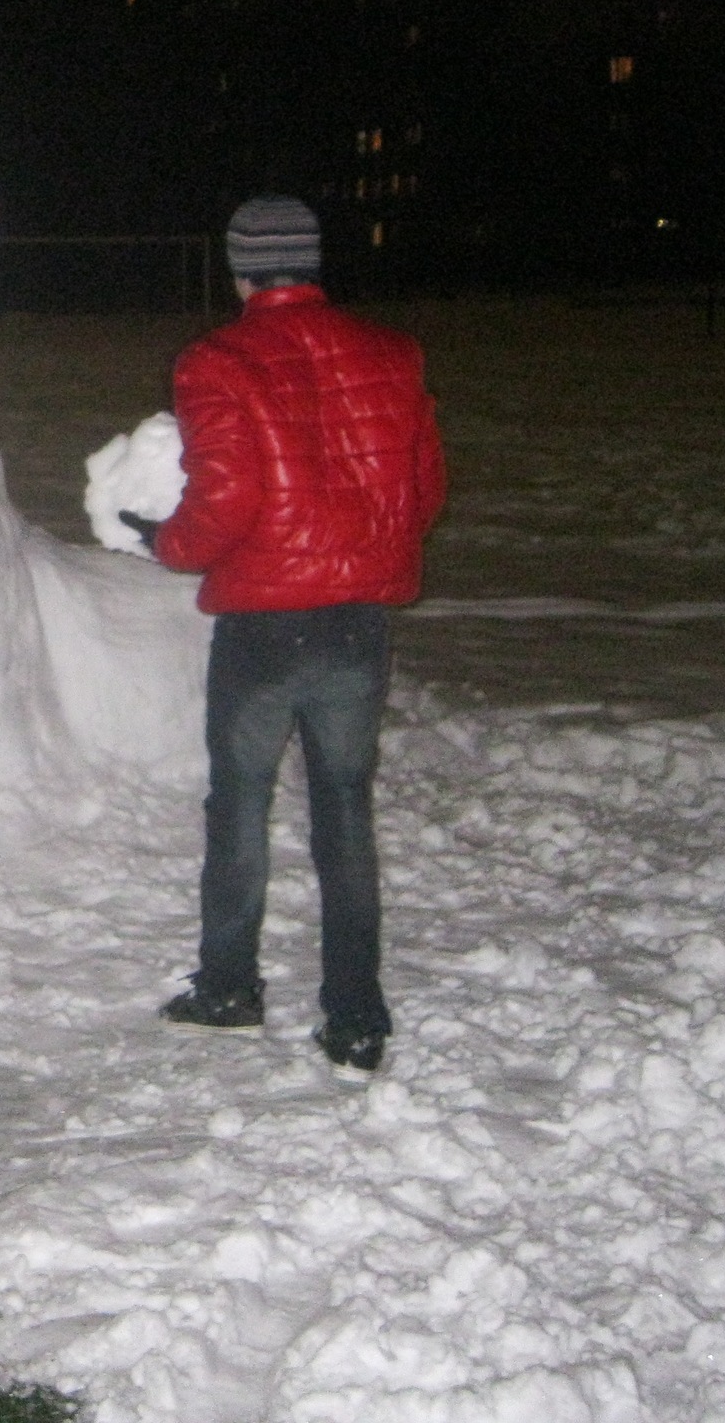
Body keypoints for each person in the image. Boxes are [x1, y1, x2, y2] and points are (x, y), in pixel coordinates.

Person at [137, 195, 445, 1076]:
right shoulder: (393, 354)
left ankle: (229, 986)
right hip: (356, 622)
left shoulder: (217, 361)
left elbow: (225, 499)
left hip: (264, 625)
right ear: (313, 262)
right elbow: (422, 491)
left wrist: (166, 543)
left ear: (240, 270)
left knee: (240, 802)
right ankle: (355, 1013)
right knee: (344, 808)